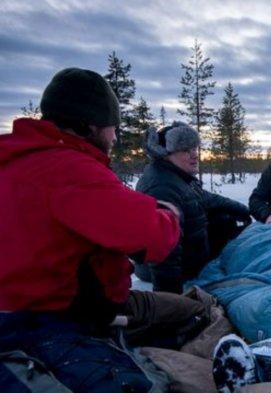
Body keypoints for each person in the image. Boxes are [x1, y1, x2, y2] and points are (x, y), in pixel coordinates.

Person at [0, 68, 181, 392]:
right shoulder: (68, 169)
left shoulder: (19, 160)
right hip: (47, 324)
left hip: (48, 312)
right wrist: (169, 216)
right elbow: (151, 237)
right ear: (90, 124)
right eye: (113, 128)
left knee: (183, 311)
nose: (114, 138)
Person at [134, 122, 252, 293]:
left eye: (194, 148)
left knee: (226, 219)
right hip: (171, 271)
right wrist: (174, 303)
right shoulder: (162, 188)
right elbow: (164, 253)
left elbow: (207, 199)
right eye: (185, 150)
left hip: (191, 255)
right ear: (165, 154)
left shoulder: (180, 177)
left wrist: (244, 210)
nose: (194, 155)